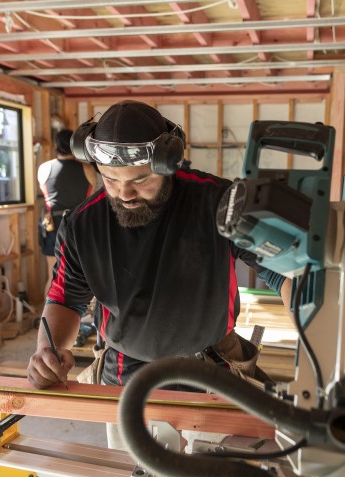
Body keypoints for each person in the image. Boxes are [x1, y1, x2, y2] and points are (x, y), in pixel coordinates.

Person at [27, 100, 291, 447]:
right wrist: (47, 352)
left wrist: (315, 320)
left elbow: (283, 273)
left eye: (140, 180)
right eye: (110, 179)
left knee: (216, 472)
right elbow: (64, 300)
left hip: (213, 367)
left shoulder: (218, 202)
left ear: (169, 164)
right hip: (125, 374)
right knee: (135, 476)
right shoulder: (82, 225)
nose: (124, 193)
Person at [38, 129, 97, 299]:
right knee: (82, 274)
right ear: (74, 145)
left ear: (56, 146)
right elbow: (91, 195)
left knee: (53, 275)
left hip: (52, 225)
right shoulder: (87, 169)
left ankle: (47, 320)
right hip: (78, 224)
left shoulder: (44, 168)